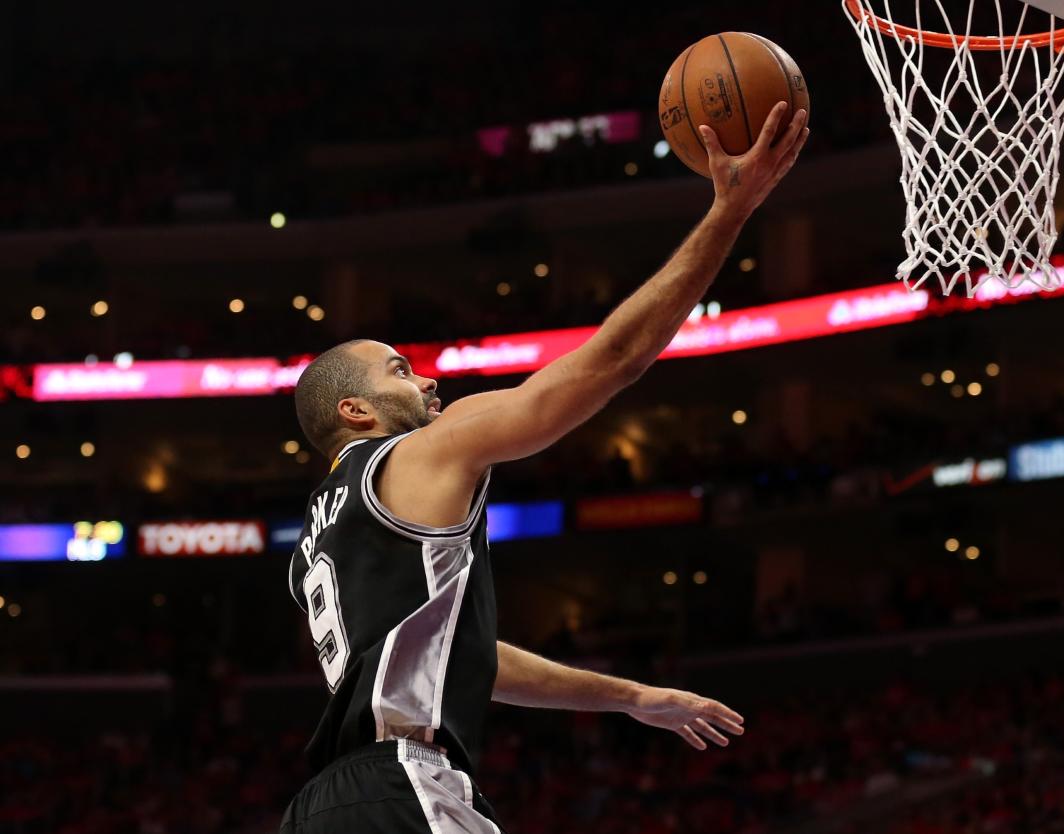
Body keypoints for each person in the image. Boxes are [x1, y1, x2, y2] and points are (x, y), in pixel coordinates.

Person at [280, 102, 810, 833]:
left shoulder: (318, 533)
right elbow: (613, 362)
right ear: (357, 413)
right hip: (405, 785)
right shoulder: (419, 451)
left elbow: (464, 653)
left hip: (324, 810)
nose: (430, 382)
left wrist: (632, 697)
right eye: (402, 372)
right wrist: (728, 213)